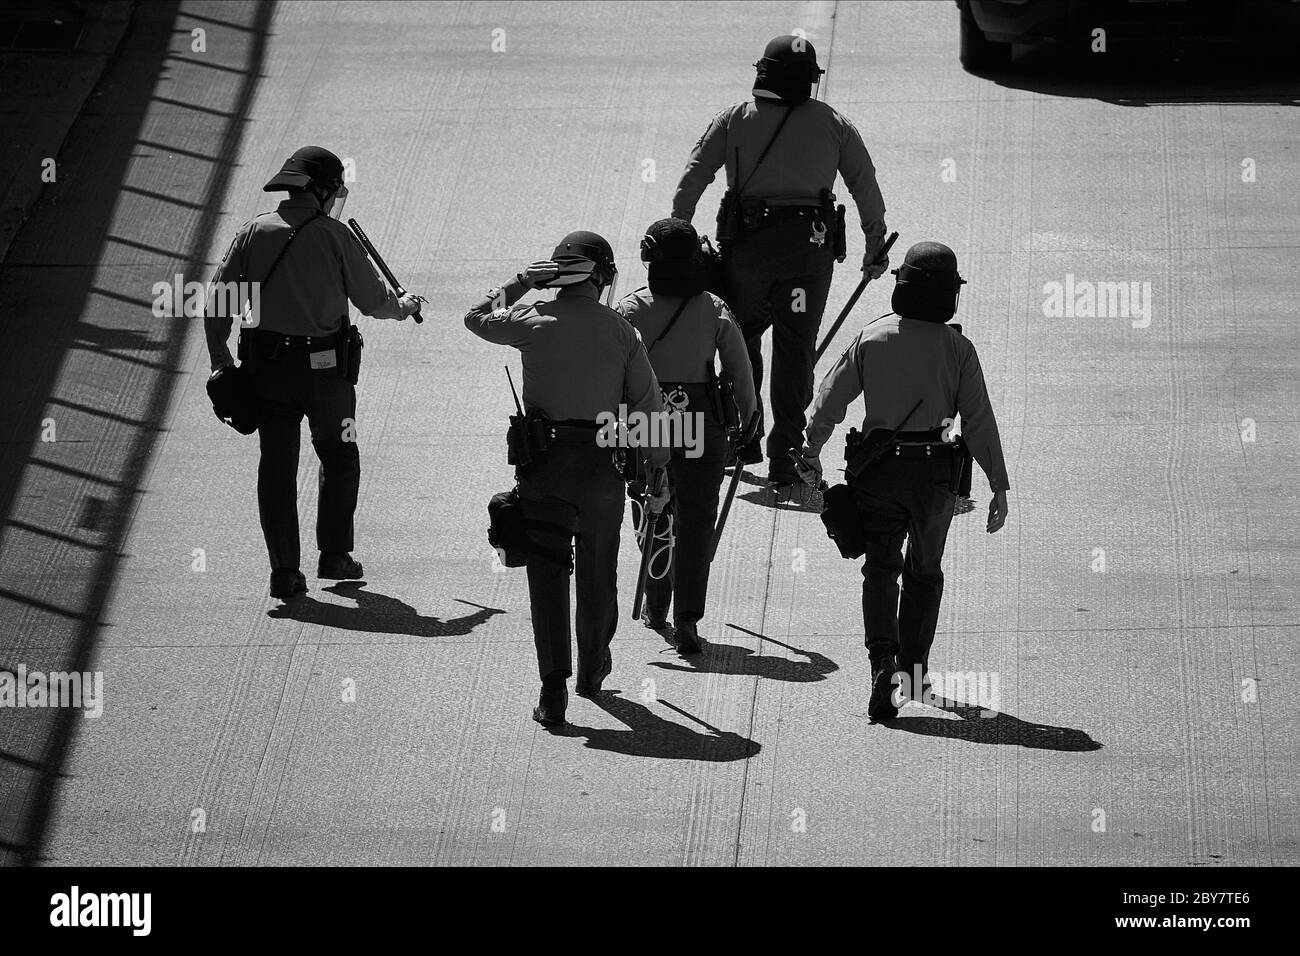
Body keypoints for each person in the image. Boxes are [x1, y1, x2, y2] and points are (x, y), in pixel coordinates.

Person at [794, 241, 1010, 721]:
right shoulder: (958, 348)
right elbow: (978, 420)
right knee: (924, 573)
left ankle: (881, 665)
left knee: (880, 568)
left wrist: (810, 450)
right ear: (949, 297)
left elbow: (830, 398)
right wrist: (998, 484)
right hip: (934, 477)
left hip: (878, 473)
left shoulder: (872, 338)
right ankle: (913, 673)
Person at [464, 231, 671, 727]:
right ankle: (592, 669)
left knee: (547, 575)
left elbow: (475, 317)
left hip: (544, 467)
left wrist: (518, 283)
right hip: (601, 466)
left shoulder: (531, 319)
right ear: (601, 276)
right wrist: (658, 469)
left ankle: (552, 687)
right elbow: (650, 408)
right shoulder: (622, 331)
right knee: (598, 573)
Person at [203, 145, 422, 600]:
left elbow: (217, 304)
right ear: (321, 191)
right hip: (327, 377)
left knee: (277, 468)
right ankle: (335, 556)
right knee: (340, 458)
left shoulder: (252, 232)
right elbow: (374, 302)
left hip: (268, 373)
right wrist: (404, 308)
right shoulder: (335, 236)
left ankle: (284, 572)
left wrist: (221, 360)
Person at [672, 34, 889, 489]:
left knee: (740, 338)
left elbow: (694, 175)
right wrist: (873, 244)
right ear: (809, 81)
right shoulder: (834, 123)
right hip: (808, 256)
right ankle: (785, 460)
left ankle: (742, 438)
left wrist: (681, 232)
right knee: (795, 354)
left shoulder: (734, 119)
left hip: (747, 253)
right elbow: (864, 182)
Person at [615, 218, 758, 654]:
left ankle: (656, 603)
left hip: (650, 416)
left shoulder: (630, 310)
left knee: (653, 506)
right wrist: (748, 421)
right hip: (701, 418)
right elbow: (741, 370)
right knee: (697, 520)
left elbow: (613, 373)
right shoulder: (712, 306)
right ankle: (688, 619)